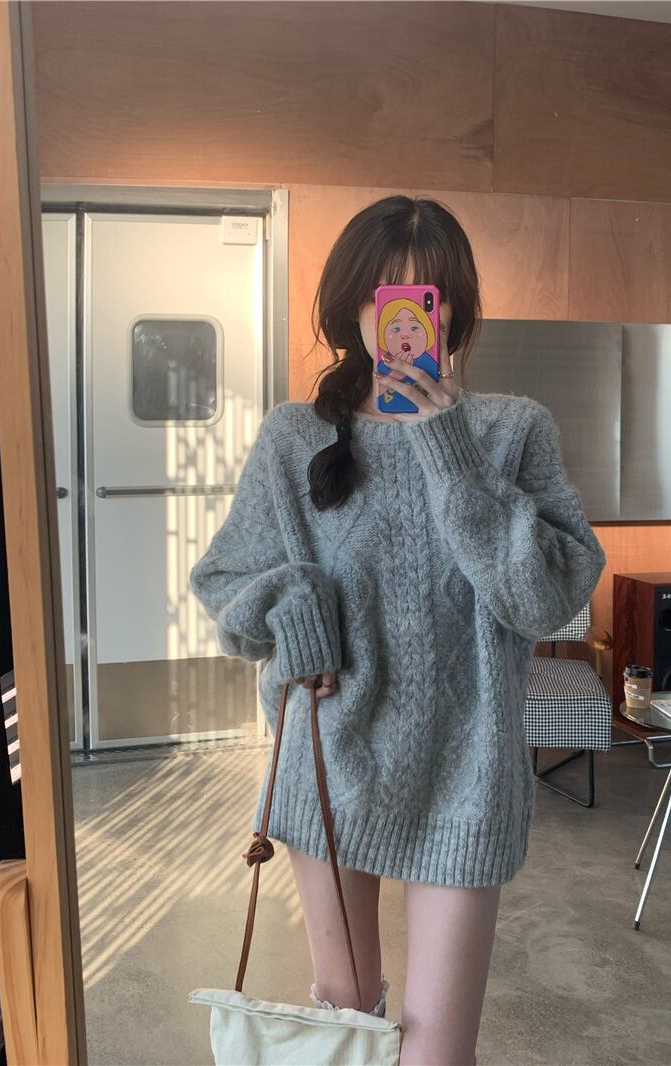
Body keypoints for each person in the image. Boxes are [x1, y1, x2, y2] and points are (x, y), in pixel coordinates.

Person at [189, 194, 607, 1065]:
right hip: (329, 763)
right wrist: (288, 601)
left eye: (429, 297)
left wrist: (447, 444)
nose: (409, 321)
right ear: (355, 307)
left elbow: (542, 599)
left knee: (437, 1052)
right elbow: (223, 579)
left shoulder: (512, 429)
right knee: (346, 1026)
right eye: (389, 297)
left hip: (467, 774)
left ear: (454, 311)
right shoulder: (294, 437)